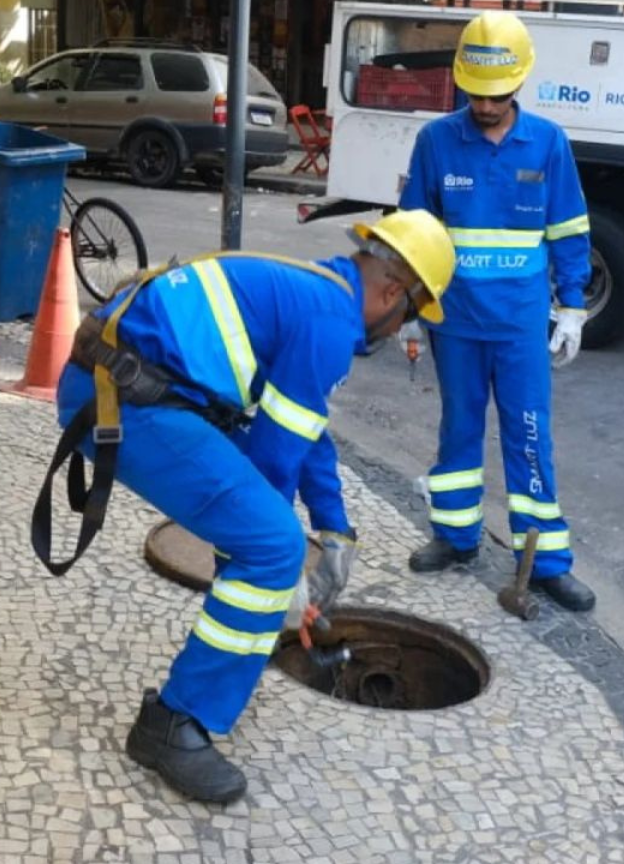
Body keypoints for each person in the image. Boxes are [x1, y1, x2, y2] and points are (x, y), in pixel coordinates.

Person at [43, 211, 455, 804]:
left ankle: (239, 636)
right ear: (394, 292)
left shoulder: (321, 294)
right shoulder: (330, 324)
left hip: (134, 382)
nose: (400, 331)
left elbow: (304, 429)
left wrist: (337, 530)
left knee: (266, 541)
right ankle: (174, 724)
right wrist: (284, 577)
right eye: (412, 315)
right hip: (122, 398)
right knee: (270, 546)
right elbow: (272, 462)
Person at [397, 10, 597, 612]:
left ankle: (544, 561)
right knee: (458, 428)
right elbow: (411, 229)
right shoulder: (436, 141)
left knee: (529, 435)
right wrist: (406, 304)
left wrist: (573, 306)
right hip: (453, 320)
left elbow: (568, 227)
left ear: (520, 82)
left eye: (497, 95)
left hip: (517, 322)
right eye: (475, 94)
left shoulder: (548, 142)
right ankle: (455, 537)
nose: (485, 106)